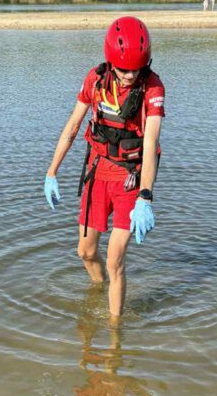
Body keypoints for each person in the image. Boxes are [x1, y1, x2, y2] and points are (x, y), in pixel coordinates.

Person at [44, 16, 165, 320]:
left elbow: (150, 143)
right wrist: (51, 172)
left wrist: (146, 196)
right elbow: (73, 125)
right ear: (111, 62)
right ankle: (99, 290)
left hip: (129, 179)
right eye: (123, 69)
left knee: (115, 260)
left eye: (135, 69)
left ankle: (114, 339)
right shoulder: (95, 80)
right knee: (85, 252)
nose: (128, 75)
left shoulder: (152, 88)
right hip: (97, 174)